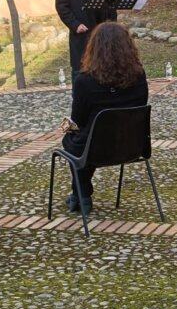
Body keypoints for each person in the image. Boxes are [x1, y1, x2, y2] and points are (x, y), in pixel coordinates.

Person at [61, 22, 148, 215]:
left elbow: (78, 121)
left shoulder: (84, 81)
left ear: (94, 48)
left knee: (73, 140)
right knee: (87, 140)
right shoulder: (139, 77)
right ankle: (79, 195)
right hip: (131, 146)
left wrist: (66, 128)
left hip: (94, 149)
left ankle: (82, 195)